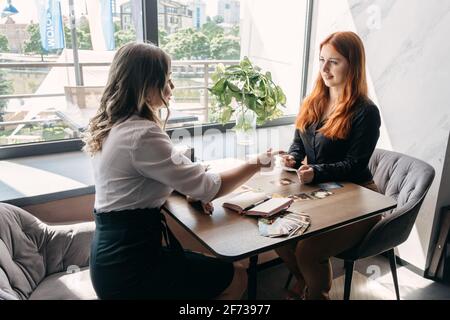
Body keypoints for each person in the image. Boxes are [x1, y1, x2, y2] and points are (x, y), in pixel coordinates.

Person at [83, 42, 277, 300]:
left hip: (112, 258)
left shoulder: (115, 126)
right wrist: (256, 163)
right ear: (146, 84)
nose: (171, 87)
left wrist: (185, 188)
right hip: (130, 268)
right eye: (167, 80)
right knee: (237, 275)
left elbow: (140, 181)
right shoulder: (142, 134)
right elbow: (209, 187)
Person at [278, 31, 381, 300]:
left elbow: (355, 163)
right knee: (275, 231)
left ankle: (316, 294)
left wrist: (317, 171)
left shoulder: (365, 112)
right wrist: (292, 157)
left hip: (360, 198)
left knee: (308, 251)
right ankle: (307, 284)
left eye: (334, 62)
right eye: (322, 60)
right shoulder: (313, 100)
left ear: (353, 64)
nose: (324, 68)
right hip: (325, 192)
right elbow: (299, 142)